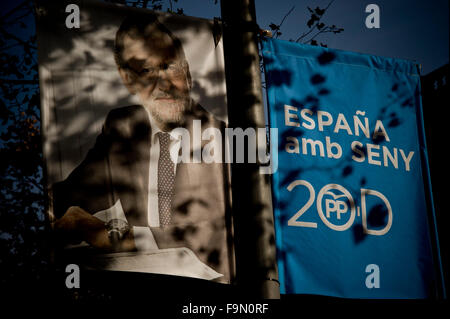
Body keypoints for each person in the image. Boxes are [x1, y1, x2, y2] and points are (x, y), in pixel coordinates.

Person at [51, 14, 232, 281]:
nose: (164, 84)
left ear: (189, 73)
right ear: (128, 79)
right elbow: (77, 192)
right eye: (146, 71)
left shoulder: (225, 139)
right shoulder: (122, 127)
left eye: (171, 66)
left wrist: (118, 237)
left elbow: (217, 235)